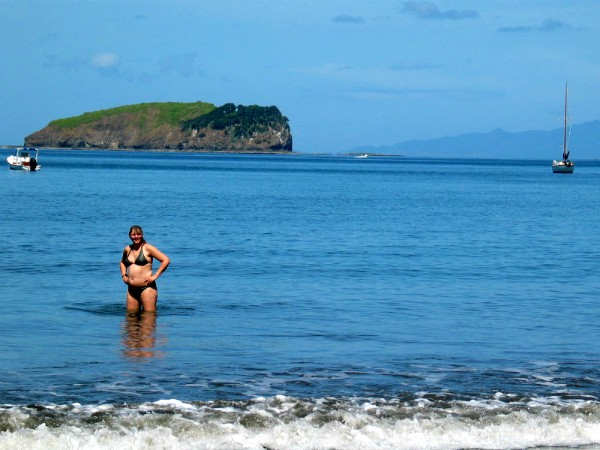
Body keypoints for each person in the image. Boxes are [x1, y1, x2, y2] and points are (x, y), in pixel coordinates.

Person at [120, 225, 170, 312]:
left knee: (148, 317)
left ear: (142, 235)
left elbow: (166, 260)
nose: (136, 237)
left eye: (138, 234)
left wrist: (155, 275)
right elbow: (122, 263)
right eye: (133, 234)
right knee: (131, 318)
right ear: (129, 236)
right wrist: (124, 275)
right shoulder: (127, 249)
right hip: (131, 289)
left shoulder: (148, 248)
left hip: (147, 288)